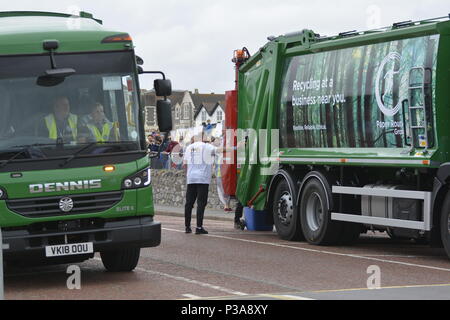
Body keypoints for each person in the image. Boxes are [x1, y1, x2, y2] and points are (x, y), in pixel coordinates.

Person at [183, 130, 216, 235]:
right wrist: (236, 147)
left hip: (191, 178)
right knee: (201, 203)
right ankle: (199, 227)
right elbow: (221, 150)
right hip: (202, 178)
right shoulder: (206, 146)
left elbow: (185, 164)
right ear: (202, 137)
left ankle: (187, 227)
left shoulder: (189, 147)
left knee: (189, 203)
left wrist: (189, 174)